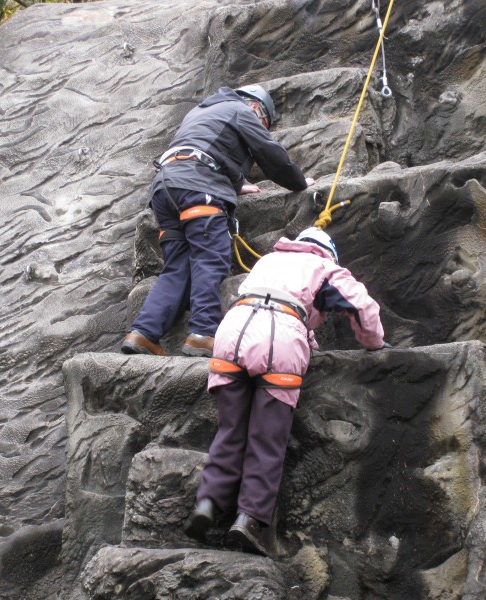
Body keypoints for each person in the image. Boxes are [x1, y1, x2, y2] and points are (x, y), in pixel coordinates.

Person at [184, 227, 388, 556]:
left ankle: (207, 503)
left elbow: (273, 304)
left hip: (232, 334)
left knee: (231, 430)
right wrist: (374, 343)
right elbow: (361, 307)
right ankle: (248, 520)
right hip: (279, 341)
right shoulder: (326, 268)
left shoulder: (269, 260)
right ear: (327, 253)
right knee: (267, 439)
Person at [121, 84, 315, 357]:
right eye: (263, 122)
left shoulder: (200, 112)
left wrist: (234, 185)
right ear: (256, 107)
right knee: (210, 258)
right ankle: (202, 333)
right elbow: (268, 151)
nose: (262, 125)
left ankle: (143, 334)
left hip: (165, 189)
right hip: (198, 187)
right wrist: (298, 182)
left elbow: (212, 148)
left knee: (177, 267)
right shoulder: (241, 110)